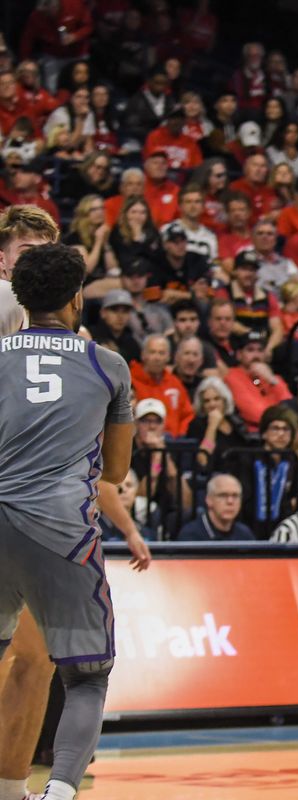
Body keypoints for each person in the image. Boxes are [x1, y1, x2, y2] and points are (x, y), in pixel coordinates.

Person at [0, 243, 134, 800]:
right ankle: (56, 793)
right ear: (78, 297)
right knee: (87, 677)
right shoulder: (108, 365)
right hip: (61, 531)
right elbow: (118, 469)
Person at [130, 333, 194, 438]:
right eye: (152, 352)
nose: (157, 357)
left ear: (168, 357)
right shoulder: (130, 382)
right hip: (139, 445)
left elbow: (187, 415)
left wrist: (180, 436)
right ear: (143, 355)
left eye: (161, 353)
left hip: (173, 444)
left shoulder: (175, 383)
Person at [176, 474, 255, 541]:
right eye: (223, 495)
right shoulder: (191, 535)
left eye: (235, 496)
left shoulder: (245, 534)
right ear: (209, 500)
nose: (230, 501)